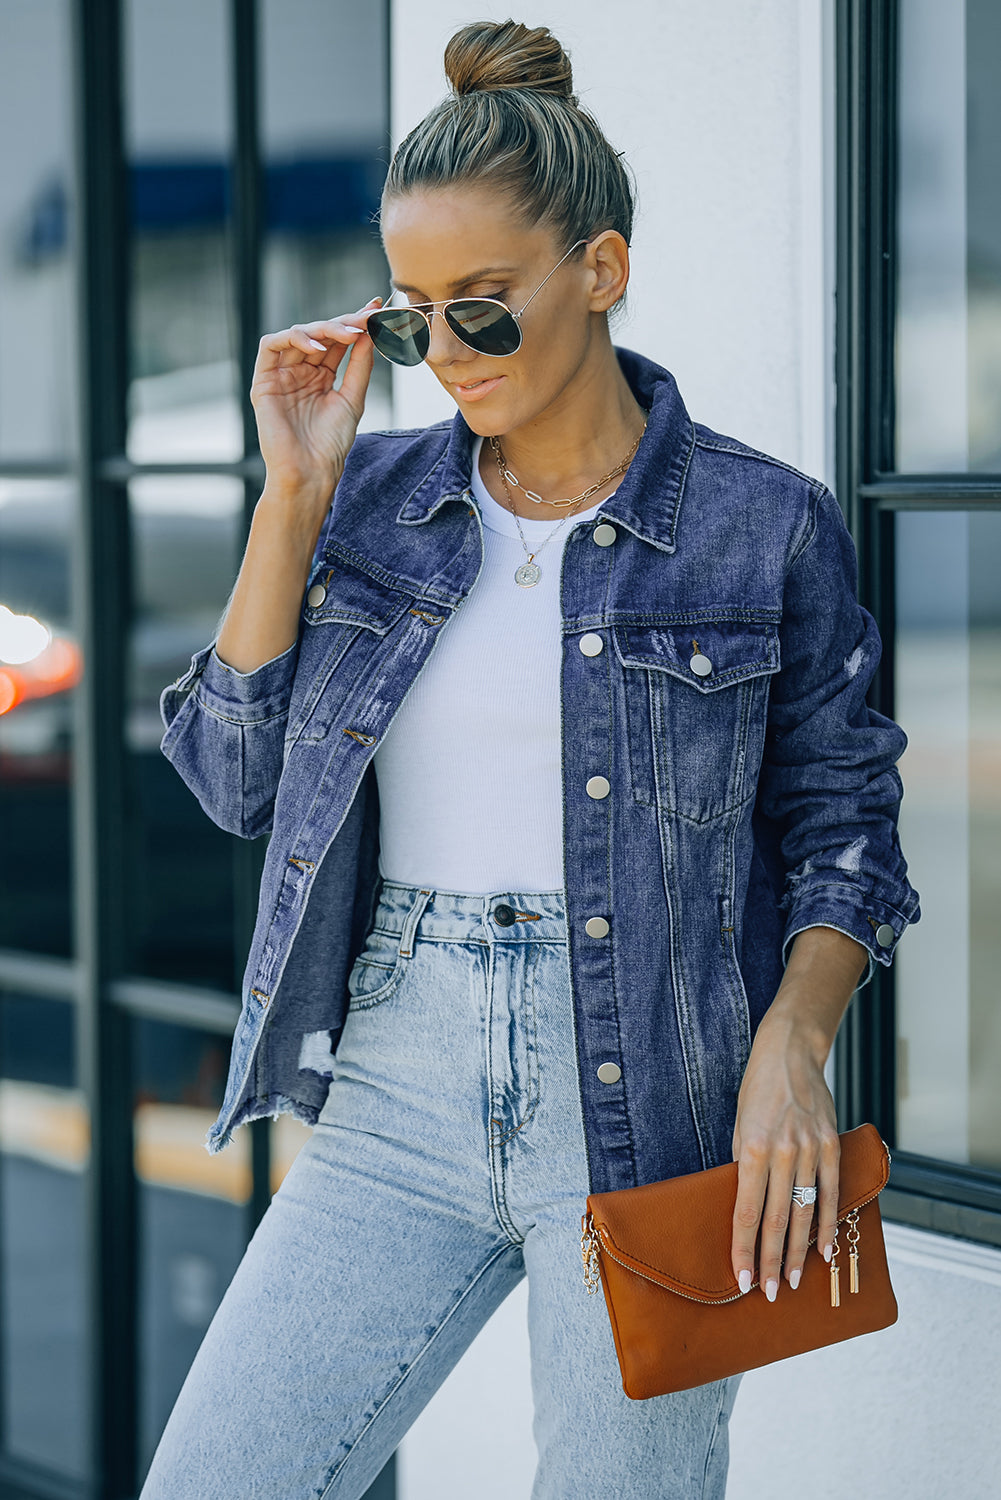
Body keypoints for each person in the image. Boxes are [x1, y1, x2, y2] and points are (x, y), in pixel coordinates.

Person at [139, 19, 920, 1500]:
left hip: (655, 1100)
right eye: (408, 318)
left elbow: (845, 828)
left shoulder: (767, 526)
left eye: (481, 312)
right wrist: (291, 495)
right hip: (393, 1080)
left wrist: (792, 1047)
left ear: (601, 272)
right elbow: (232, 783)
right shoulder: (363, 502)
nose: (443, 356)